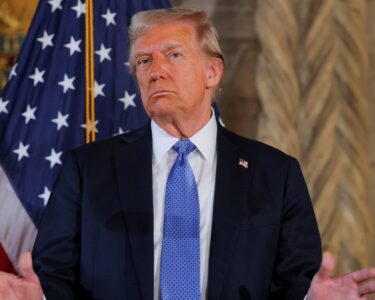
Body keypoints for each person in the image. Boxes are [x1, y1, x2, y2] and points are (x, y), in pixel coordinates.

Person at [1, 7, 375, 300]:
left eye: (173, 55)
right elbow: (54, 275)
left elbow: (294, 281)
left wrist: (312, 298)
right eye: (144, 61)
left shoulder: (276, 174)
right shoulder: (86, 169)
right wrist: (42, 297)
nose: (155, 71)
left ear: (213, 71)